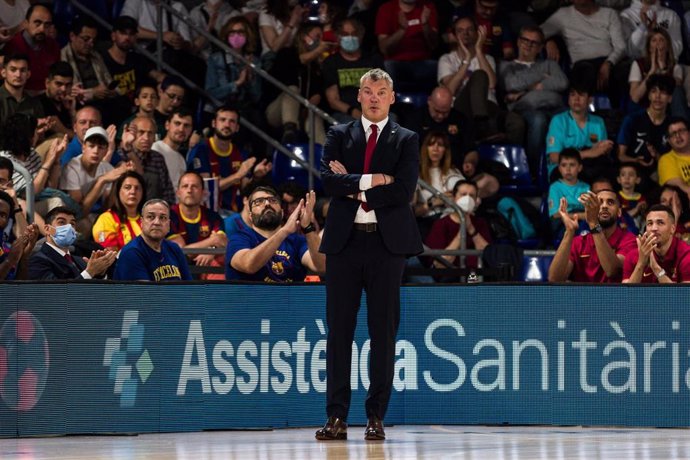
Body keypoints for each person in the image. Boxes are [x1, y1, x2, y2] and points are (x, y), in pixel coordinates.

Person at [316, 68, 422, 441]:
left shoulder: (406, 139)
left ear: (392, 97)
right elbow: (327, 181)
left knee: (384, 334)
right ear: (358, 96)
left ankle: (375, 416)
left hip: (386, 245)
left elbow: (405, 190)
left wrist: (353, 185)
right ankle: (336, 418)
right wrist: (375, 179)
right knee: (338, 334)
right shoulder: (338, 134)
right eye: (367, 91)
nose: (374, 97)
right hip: (344, 244)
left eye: (381, 91)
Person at [499, 25, 568, 175]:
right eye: (525, 40)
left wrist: (525, 90)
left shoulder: (549, 64)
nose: (528, 45)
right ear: (518, 42)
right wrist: (542, 77)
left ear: (540, 47)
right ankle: (534, 171)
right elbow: (511, 84)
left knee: (570, 117)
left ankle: (568, 169)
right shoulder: (507, 66)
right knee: (538, 120)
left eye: (534, 43)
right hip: (526, 109)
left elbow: (562, 83)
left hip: (555, 107)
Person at [225, 186, 324, 281]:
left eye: (273, 200)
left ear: (281, 213)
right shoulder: (239, 238)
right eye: (259, 202)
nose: (267, 203)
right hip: (249, 298)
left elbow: (321, 266)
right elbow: (249, 265)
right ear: (251, 216)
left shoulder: (297, 241)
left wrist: (307, 227)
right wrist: (284, 231)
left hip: (289, 298)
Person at [187, 106, 271, 214]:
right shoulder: (201, 150)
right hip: (207, 213)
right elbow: (206, 189)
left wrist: (256, 177)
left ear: (237, 127)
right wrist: (237, 176)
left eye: (232, 121)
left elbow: (244, 189)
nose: (227, 125)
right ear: (214, 123)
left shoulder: (241, 154)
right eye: (222, 120)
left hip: (235, 213)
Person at [541, 0, 626, 104]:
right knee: (585, 71)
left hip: (608, 61)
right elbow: (538, 33)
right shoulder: (563, 14)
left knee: (626, 70)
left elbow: (621, 46)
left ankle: (618, 113)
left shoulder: (609, 14)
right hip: (583, 64)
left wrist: (609, 63)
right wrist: (549, 41)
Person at [548, 189, 637, 282]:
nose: (604, 206)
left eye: (610, 202)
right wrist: (569, 232)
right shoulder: (578, 242)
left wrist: (594, 224)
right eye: (599, 202)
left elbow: (612, 271)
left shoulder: (630, 240)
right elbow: (554, 279)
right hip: (582, 296)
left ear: (619, 212)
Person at [545, 83, 613, 182]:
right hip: (563, 169)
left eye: (581, 95)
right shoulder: (559, 121)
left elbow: (600, 152)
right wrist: (589, 153)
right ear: (568, 99)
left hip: (590, 166)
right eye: (572, 95)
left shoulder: (598, 122)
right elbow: (554, 157)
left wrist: (606, 149)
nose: (576, 99)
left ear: (590, 100)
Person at [59, 126, 131, 219]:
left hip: (91, 215)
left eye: (101, 147)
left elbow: (107, 209)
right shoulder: (71, 167)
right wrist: (101, 181)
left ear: (106, 151)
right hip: (68, 217)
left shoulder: (107, 168)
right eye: (91, 146)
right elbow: (78, 213)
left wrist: (117, 180)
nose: (96, 151)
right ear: (84, 147)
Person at [322, 17, 384, 124]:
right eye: (345, 34)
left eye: (354, 34)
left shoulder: (373, 59)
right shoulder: (331, 62)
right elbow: (333, 100)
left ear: (360, 36)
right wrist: (354, 112)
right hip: (345, 114)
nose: (350, 37)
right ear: (338, 37)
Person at [617, 74, 674, 190]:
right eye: (654, 91)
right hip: (633, 171)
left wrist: (657, 157)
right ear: (648, 95)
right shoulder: (632, 120)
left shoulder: (672, 125)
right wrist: (635, 160)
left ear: (670, 98)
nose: (657, 96)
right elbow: (620, 156)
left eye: (663, 93)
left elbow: (675, 158)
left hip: (661, 170)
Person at [28, 206, 116, 280]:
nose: (69, 227)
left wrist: (100, 273)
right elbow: (56, 295)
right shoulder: (37, 261)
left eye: (72, 224)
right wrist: (89, 272)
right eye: (62, 222)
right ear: (47, 229)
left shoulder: (81, 261)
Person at [113, 198, 192, 281]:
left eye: (162, 217)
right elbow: (145, 293)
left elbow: (190, 287)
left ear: (168, 225)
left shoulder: (174, 248)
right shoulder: (132, 252)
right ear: (141, 222)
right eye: (151, 217)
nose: (157, 222)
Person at [424, 179, 491, 272]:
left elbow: (489, 255)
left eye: (471, 196)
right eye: (463, 195)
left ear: (476, 200)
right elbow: (439, 265)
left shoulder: (481, 223)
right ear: (454, 198)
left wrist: (471, 228)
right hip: (451, 277)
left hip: (476, 277)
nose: (467, 199)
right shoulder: (441, 224)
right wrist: (461, 232)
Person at [375, 0, 439, 93]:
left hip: (423, 62)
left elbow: (434, 45)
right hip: (395, 63)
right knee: (387, 68)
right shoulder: (386, 9)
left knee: (438, 66)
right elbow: (383, 48)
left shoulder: (427, 7)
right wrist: (402, 30)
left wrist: (425, 25)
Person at [169, 171, 227, 272]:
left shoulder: (213, 216)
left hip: (205, 265)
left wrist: (212, 250)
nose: (189, 190)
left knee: (219, 262)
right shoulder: (169, 216)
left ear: (203, 192)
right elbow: (181, 252)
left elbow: (223, 241)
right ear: (178, 193)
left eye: (194, 186)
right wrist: (212, 242)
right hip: (176, 268)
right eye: (185, 186)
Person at [413, 131, 464, 234]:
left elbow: (468, 195)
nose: (435, 149)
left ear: (445, 150)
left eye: (440, 145)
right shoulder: (416, 173)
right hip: (429, 221)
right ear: (425, 148)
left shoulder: (453, 172)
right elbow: (413, 212)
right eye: (431, 144)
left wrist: (455, 197)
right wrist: (433, 202)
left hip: (453, 218)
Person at [623, 204, 690, 283]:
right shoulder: (633, 255)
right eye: (650, 223)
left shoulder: (686, 255)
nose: (654, 228)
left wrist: (656, 269)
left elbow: (685, 295)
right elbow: (627, 294)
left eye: (660, 223)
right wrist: (640, 264)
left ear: (672, 229)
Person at [117, 116, 175, 203]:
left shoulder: (157, 158)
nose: (146, 138)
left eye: (150, 133)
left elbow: (167, 193)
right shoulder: (121, 154)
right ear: (131, 133)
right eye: (141, 132)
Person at [4, 4, 60, 93]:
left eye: (47, 25)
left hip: (47, 97)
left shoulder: (53, 46)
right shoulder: (12, 46)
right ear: (26, 23)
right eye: (37, 23)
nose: (42, 29)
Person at [92, 170, 145, 251]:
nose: (133, 191)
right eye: (127, 187)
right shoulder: (106, 219)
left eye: (137, 188)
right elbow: (109, 254)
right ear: (118, 191)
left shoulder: (149, 219)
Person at [548, 148, 590, 238]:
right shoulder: (555, 187)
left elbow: (589, 212)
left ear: (579, 168)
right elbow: (556, 214)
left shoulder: (586, 187)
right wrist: (579, 216)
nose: (568, 169)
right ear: (559, 168)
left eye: (572, 165)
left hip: (582, 223)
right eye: (564, 165)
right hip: (563, 224)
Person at [0, 190, 37, 280]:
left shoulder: (2, 244)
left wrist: (24, 256)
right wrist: (10, 260)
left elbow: (19, 286)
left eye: (2, 215)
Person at [152, 109, 193, 190]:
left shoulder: (181, 160)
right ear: (167, 125)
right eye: (177, 123)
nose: (181, 129)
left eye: (186, 125)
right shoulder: (155, 149)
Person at [0, 52, 43, 123]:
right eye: (13, 70)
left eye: (22, 70)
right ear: (3, 73)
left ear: (28, 74)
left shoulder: (35, 103)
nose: (18, 75)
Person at [658, 117, 690, 201]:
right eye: (673, 134)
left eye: (681, 131)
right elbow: (680, 186)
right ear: (668, 140)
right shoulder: (666, 160)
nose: (678, 136)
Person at [617, 162, 647, 228]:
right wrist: (636, 209)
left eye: (631, 175)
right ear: (618, 179)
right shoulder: (616, 197)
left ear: (638, 180)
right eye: (623, 175)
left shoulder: (641, 198)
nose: (627, 178)